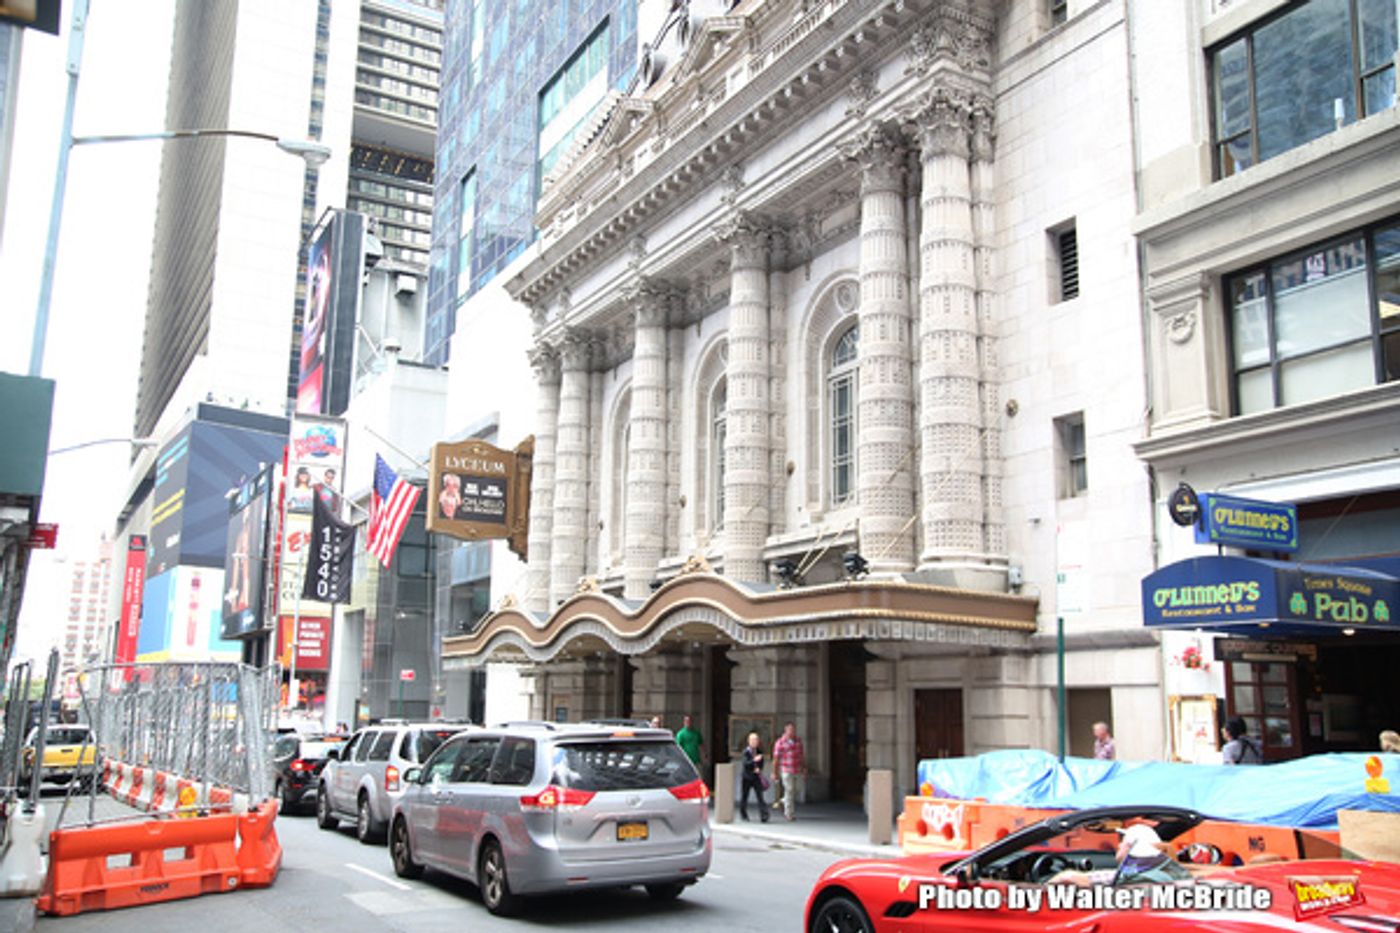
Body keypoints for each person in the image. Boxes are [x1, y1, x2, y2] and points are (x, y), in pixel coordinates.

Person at [772, 721, 805, 821]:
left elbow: (801, 756)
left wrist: (804, 767)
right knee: (789, 790)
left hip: (797, 769)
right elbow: (776, 758)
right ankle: (789, 813)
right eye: (790, 730)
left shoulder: (798, 741)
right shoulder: (780, 742)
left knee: (798, 788)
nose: (792, 732)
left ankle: (783, 800)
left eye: (793, 730)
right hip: (786, 769)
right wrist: (774, 772)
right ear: (785, 730)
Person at [739, 731, 769, 822]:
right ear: (749, 741)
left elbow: (761, 762)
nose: (754, 742)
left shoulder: (759, 751)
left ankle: (764, 815)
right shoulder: (746, 752)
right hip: (747, 777)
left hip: (756, 777)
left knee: (760, 796)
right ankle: (743, 814)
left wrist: (759, 768)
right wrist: (754, 760)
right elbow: (745, 763)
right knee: (744, 796)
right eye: (752, 740)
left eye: (756, 740)